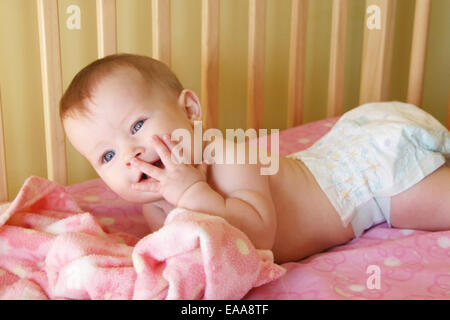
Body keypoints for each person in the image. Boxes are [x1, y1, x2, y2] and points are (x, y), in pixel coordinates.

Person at [60, 53, 450, 263]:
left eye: (137, 125)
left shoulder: (226, 153)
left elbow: (258, 237)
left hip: (364, 179)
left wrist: (193, 191)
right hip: (341, 169)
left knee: (429, 206)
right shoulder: (155, 207)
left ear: (190, 110)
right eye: (107, 155)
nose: (131, 153)